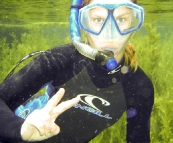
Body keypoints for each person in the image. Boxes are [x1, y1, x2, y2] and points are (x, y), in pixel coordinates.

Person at [0, 0, 154, 142]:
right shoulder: (60, 60)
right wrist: (21, 130)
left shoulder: (139, 86)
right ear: (82, 22)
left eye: (121, 19)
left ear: (133, 22)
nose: (109, 33)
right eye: (98, 20)